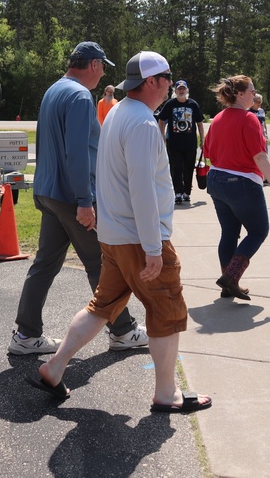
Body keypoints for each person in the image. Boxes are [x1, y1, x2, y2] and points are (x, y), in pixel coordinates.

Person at [30, 51, 212, 414]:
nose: (168, 85)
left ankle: (54, 367)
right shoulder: (143, 123)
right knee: (166, 311)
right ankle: (166, 394)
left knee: (102, 306)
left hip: (114, 235)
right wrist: (153, 248)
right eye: (166, 78)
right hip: (139, 237)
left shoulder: (117, 113)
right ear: (152, 82)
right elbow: (143, 190)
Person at [9, 42, 147, 356]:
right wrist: (86, 200)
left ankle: (26, 335)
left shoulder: (54, 90)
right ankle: (123, 331)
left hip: (49, 191)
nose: (103, 74)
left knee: (44, 265)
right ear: (94, 64)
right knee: (102, 264)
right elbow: (77, 153)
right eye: (103, 67)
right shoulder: (81, 96)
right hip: (72, 197)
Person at [204, 76, 270, 300]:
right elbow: (260, 156)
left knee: (229, 232)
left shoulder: (218, 118)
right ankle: (231, 276)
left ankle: (228, 283)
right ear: (239, 94)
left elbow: (208, 151)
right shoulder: (249, 119)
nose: (254, 94)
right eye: (251, 91)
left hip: (217, 180)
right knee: (258, 231)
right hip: (241, 183)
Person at [157, 79, 205, 205]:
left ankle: (186, 193)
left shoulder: (193, 104)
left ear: (187, 90)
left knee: (189, 168)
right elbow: (161, 120)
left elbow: (200, 123)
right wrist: (161, 136)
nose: (181, 91)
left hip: (190, 143)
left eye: (184, 88)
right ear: (175, 91)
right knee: (176, 168)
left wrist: (203, 139)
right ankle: (177, 193)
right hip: (174, 144)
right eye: (179, 89)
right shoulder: (170, 104)